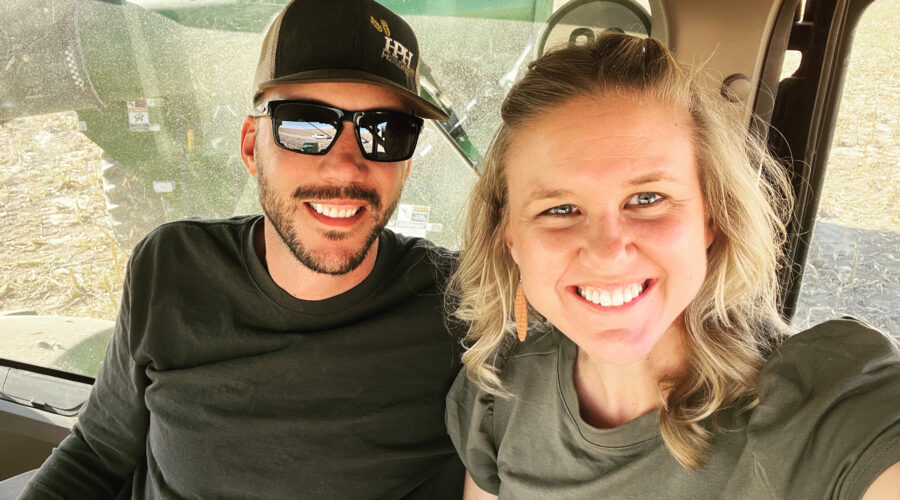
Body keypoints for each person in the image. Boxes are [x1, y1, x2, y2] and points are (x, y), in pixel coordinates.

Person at [20, 0, 466, 498]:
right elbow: (98, 453)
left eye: (385, 132)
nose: (346, 167)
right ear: (252, 148)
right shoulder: (170, 268)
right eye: (305, 126)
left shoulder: (464, 303)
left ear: (406, 163)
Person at [445, 31, 900, 499]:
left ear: (711, 217)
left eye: (647, 198)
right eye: (559, 209)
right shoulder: (498, 393)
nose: (607, 251)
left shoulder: (826, 402)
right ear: (510, 236)